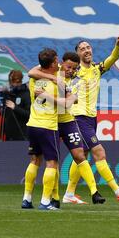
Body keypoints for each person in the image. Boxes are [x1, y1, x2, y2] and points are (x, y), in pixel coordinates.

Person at [27, 38, 119, 203]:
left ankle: (69, 194)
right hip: (77, 116)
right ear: (77, 54)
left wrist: (118, 45)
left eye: (88, 47)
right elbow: (33, 71)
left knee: (81, 154)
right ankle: (118, 191)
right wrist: (57, 79)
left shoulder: (97, 69)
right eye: (82, 48)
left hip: (91, 116)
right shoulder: (69, 70)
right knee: (98, 152)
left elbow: (112, 59)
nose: (87, 50)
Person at [24, 52, 105, 209]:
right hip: (51, 124)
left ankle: (94, 191)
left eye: (74, 68)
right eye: (68, 67)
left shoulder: (70, 79)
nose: (70, 70)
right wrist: (61, 86)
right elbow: (32, 73)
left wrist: (64, 93)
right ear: (59, 63)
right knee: (51, 162)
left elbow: (33, 75)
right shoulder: (54, 77)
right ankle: (51, 199)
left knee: (77, 155)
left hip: (56, 121)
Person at [22, 48, 74, 210]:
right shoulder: (56, 83)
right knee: (52, 163)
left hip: (32, 124)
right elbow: (66, 104)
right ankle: (45, 201)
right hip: (48, 127)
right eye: (56, 60)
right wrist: (72, 96)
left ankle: (27, 199)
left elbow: (32, 71)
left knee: (34, 160)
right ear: (52, 64)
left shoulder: (34, 79)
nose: (58, 63)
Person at [0, 69, 30, 141]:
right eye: (11, 82)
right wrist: (1, 111)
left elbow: (29, 114)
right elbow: (8, 114)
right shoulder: (9, 93)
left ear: (20, 81)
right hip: (9, 134)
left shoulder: (26, 94)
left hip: (22, 134)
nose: (12, 84)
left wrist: (15, 107)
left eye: (15, 82)